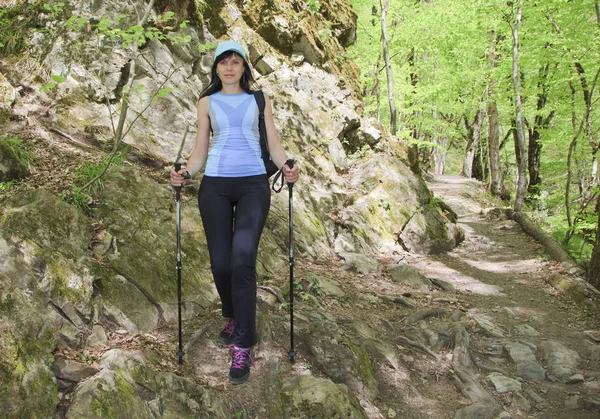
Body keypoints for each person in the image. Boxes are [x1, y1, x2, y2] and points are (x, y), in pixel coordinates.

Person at [170, 40, 300, 385]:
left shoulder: (258, 100)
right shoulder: (206, 102)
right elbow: (200, 151)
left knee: (242, 260)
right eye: (223, 62)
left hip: (253, 185)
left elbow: (272, 143)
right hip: (214, 185)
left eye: (236, 62)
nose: (229, 67)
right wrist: (185, 172)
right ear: (215, 68)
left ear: (244, 67)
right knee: (220, 263)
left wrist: (286, 164)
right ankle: (231, 315)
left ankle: (243, 343)